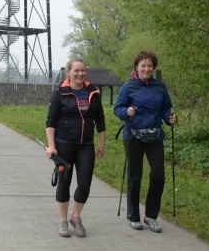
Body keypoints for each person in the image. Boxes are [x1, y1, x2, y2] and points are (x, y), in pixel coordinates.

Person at [114, 51, 176, 233]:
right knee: (135, 176)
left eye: (150, 66)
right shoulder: (128, 87)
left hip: (155, 136)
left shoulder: (160, 86)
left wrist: (170, 118)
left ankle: (151, 216)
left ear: (153, 68)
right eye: (143, 65)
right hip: (133, 135)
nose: (147, 69)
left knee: (158, 175)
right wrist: (127, 113)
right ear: (137, 67)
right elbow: (118, 109)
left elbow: (165, 109)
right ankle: (133, 216)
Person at [44, 58, 106, 237]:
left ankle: (75, 217)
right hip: (64, 144)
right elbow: (50, 121)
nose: (80, 74)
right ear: (68, 73)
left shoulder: (93, 92)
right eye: (76, 71)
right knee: (64, 182)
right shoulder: (60, 93)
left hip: (86, 145)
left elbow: (100, 120)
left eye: (83, 71)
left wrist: (101, 143)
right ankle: (63, 221)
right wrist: (51, 146)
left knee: (85, 183)